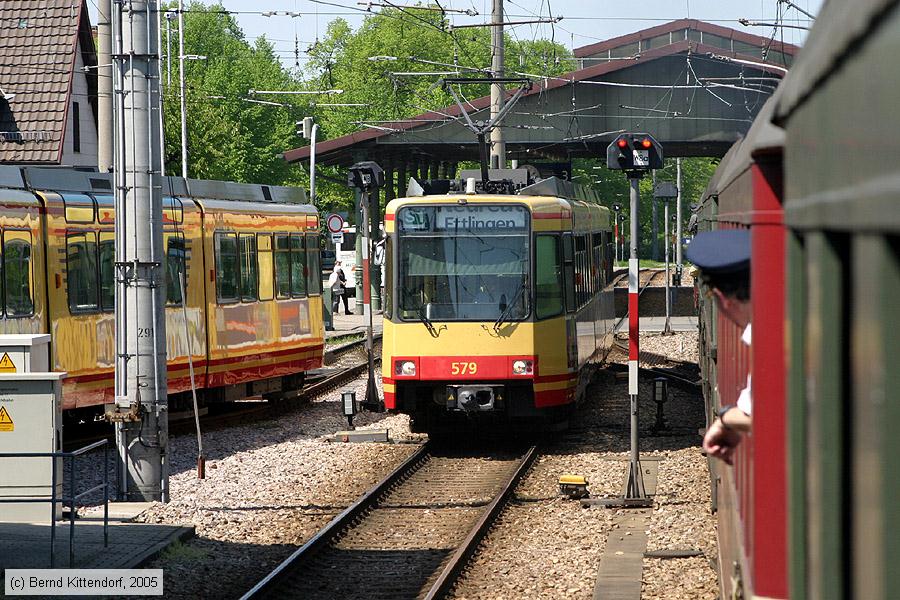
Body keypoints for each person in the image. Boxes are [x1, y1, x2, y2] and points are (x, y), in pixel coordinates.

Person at [686, 229, 752, 465]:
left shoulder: (773, 340)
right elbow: (752, 410)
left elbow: (767, 415)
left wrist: (725, 418)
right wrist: (732, 421)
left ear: (722, 298)